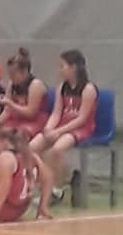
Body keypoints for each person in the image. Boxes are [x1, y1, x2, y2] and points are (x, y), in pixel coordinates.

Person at [30, 49, 98, 202]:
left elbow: (81, 119)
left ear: (73, 68)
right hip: (62, 126)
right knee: (33, 146)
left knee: (57, 149)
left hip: (80, 128)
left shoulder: (88, 89)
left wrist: (58, 132)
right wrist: (48, 129)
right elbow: (56, 113)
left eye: (62, 66)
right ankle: (41, 184)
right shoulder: (62, 88)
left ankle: (57, 191)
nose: (60, 70)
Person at [0, 48, 49, 137]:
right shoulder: (11, 84)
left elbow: (31, 113)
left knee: (17, 137)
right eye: (9, 74)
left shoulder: (35, 85)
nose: (10, 77)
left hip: (34, 121)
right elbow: (7, 111)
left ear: (24, 72)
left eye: (13, 75)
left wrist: (10, 103)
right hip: (16, 121)